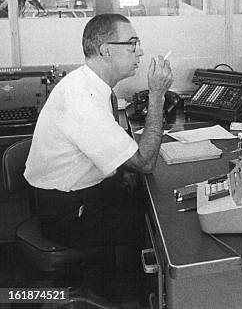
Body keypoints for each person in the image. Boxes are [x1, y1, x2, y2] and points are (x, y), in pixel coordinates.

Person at [24, 13, 173, 248]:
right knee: (160, 225)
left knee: (151, 201)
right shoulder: (82, 101)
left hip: (82, 193)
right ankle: (119, 283)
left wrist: (123, 171)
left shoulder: (88, 83)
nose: (140, 52)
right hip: (68, 213)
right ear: (105, 51)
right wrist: (157, 95)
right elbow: (145, 163)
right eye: (132, 44)